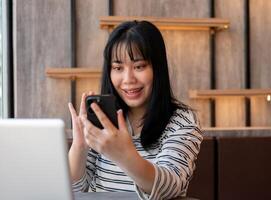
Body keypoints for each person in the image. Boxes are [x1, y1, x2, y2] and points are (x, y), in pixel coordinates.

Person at [68, 20, 203, 200]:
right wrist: (80, 147)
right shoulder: (104, 119)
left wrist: (123, 155)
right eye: (117, 68)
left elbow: (169, 188)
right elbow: (76, 190)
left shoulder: (182, 121)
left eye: (139, 66)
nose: (128, 79)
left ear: (157, 68)